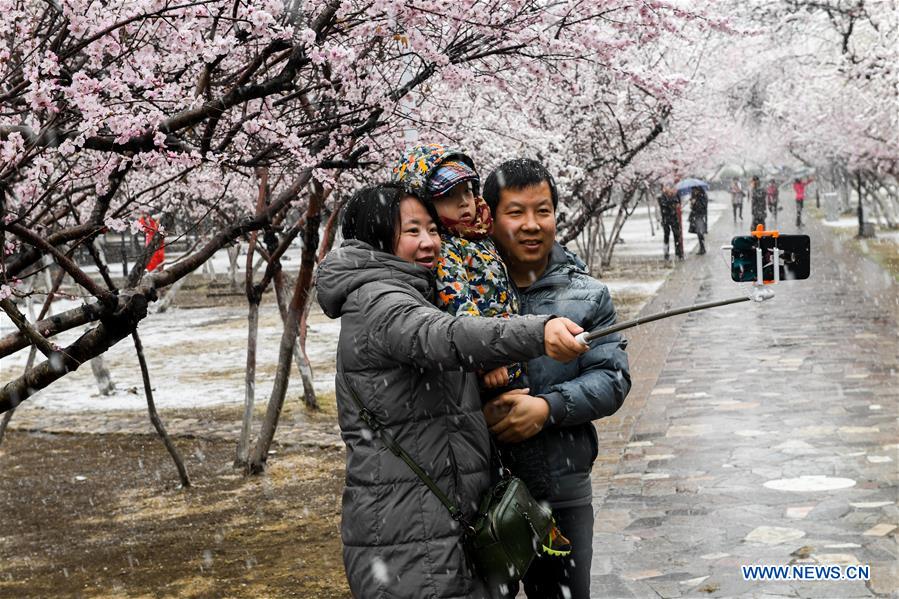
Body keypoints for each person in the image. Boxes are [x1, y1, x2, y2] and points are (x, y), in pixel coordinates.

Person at [315, 184, 589, 599]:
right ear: (376, 238)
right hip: (412, 535)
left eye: (431, 228)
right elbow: (444, 335)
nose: (429, 243)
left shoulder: (411, 292)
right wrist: (538, 331)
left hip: (433, 524)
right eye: (412, 232)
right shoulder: (379, 302)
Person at [391, 144, 572, 555]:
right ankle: (536, 525)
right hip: (492, 360)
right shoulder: (448, 251)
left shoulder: (479, 236)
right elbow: (461, 311)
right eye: (450, 198)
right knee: (516, 453)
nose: (466, 204)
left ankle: (534, 524)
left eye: (469, 191)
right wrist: (492, 358)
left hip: (505, 351)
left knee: (517, 451)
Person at [483, 159, 632, 599]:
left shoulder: (587, 295)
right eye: (516, 212)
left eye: (542, 210)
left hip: (562, 489)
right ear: (489, 217)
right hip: (480, 492)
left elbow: (612, 378)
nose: (532, 225)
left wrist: (548, 408)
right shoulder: (463, 290)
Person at [657, 184, 684, 261]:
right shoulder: (662, 197)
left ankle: (679, 253)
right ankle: (666, 253)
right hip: (666, 219)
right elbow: (664, 205)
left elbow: (678, 202)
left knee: (677, 235)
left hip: (674, 219)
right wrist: (673, 204)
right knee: (666, 236)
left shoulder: (675, 195)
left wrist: (676, 203)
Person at [688, 186, 708, 255]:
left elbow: (703, 207)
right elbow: (693, 208)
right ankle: (702, 247)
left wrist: (695, 202)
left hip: (700, 216)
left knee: (700, 232)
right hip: (695, 216)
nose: (694, 192)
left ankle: (702, 248)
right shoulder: (695, 197)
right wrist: (692, 204)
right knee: (698, 232)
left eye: (695, 190)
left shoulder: (702, 197)